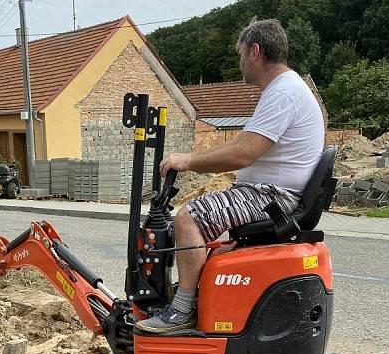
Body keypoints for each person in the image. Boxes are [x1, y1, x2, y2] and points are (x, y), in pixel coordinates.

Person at [136, 18, 325, 334]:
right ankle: (195, 300)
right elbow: (242, 145)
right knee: (212, 247)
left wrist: (188, 161)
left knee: (188, 219)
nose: (239, 63)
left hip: (271, 197)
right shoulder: (285, 90)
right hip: (275, 193)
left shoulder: (284, 93)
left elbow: (242, 153)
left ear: (254, 51)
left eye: (240, 55)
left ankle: (181, 311)